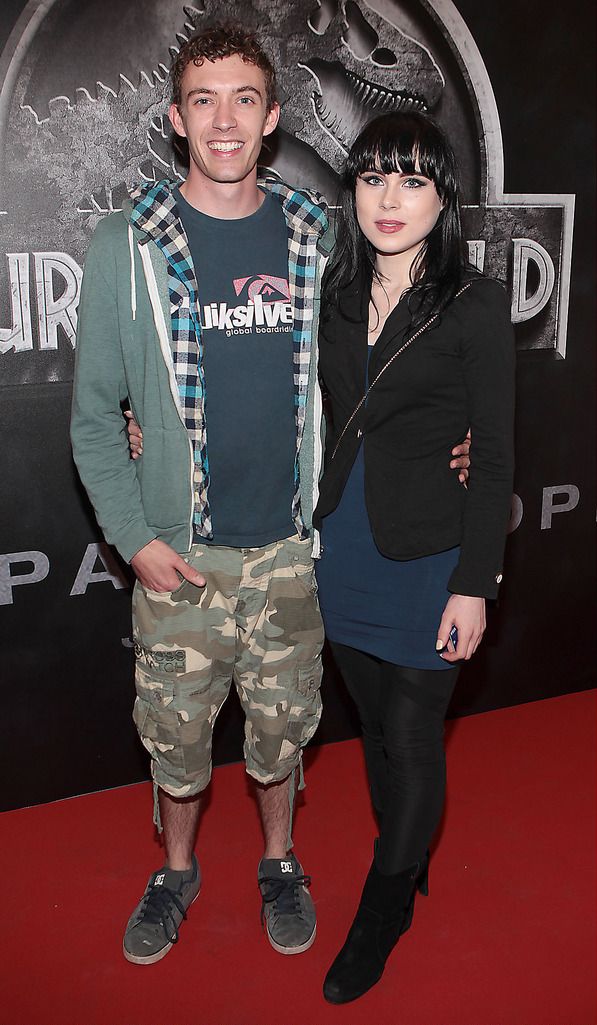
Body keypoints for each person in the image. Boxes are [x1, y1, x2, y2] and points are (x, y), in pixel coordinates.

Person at [74, 23, 471, 968]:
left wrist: (449, 439)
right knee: (175, 746)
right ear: (176, 119)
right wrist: (136, 537)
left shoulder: (314, 232)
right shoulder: (124, 245)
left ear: (273, 115)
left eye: (244, 99)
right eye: (203, 100)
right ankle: (175, 872)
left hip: (294, 552)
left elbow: (382, 353)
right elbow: (95, 416)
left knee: (282, 735)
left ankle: (279, 861)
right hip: (180, 555)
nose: (223, 120)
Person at [311, 111, 516, 1003]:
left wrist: (475, 584)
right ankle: (403, 840)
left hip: (432, 550)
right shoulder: (332, 294)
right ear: (352, 189)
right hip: (342, 543)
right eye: (373, 178)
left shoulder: (473, 304)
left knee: (410, 729)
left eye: (413, 180)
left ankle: (384, 900)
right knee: (371, 723)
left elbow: (498, 451)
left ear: (444, 199)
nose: (390, 199)